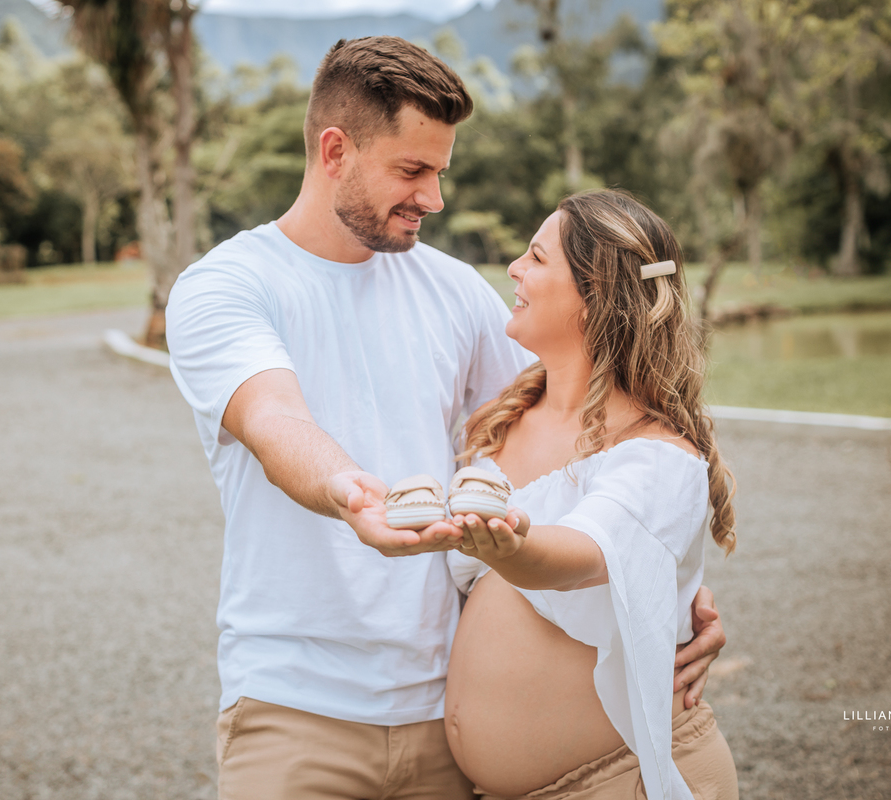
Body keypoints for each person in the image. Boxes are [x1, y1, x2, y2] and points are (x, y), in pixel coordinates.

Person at [165, 37, 727, 800]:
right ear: (335, 151)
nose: (434, 197)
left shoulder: (456, 292)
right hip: (295, 711)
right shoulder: (227, 287)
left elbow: (574, 443)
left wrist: (665, 583)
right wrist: (351, 494)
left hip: (442, 719)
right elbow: (272, 419)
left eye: (440, 171)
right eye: (412, 171)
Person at [442, 189, 739, 800]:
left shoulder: (660, 457)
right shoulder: (498, 424)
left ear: (596, 292)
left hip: (619, 779)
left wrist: (507, 543)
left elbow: (577, 558)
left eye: (535, 257)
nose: (515, 270)